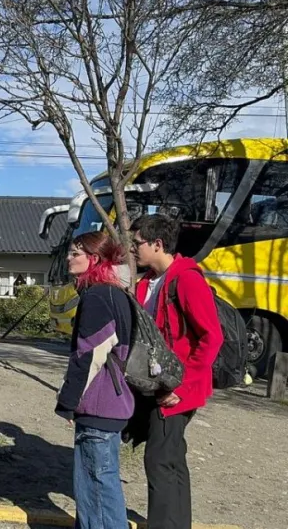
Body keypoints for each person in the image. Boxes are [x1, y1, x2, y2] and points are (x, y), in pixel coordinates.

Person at [129, 214, 223, 529]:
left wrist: (182, 387)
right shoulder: (146, 282)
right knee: (171, 459)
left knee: (159, 460)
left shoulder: (187, 280)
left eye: (137, 243)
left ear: (157, 244)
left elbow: (212, 337)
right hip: (158, 385)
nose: (133, 249)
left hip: (178, 390)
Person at [55, 232, 134, 529]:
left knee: (96, 491)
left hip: (99, 404)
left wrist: (68, 401)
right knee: (100, 487)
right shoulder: (117, 292)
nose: (69, 258)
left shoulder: (98, 296)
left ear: (94, 258)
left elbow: (89, 355)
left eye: (76, 253)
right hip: (114, 402)